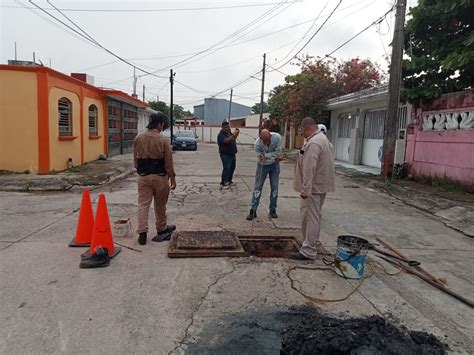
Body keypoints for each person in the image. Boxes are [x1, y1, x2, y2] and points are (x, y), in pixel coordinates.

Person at [290, 117, 335, 260]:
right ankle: (310, 242)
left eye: (301, 130)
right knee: (314, 216)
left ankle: (308, 250)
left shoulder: (314, 143)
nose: (301, 133)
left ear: (306, 128)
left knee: (310, 217)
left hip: (313, 188)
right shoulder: (322, 139)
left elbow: (310, 168)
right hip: (320, 185)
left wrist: (305, 189)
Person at [133, 113, 177, 245]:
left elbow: (135, 160)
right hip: (159, 177)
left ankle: (142, 232)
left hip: (143, 176)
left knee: (143, 204)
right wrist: (172, 178)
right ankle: (161, 229)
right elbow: (168, 163)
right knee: (160, 204)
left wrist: (141, 170)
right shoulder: (163, 140)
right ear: (159, 124)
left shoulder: (138, 138)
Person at [246, 129, 282, 220]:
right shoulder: (257, 144)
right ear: (260, 138)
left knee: (274, 187)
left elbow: (278, 152)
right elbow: (262, 158)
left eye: (268, 140)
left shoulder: (277, 137)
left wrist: (267, 156)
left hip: (274, 165)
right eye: (264, 141)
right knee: (257, 187)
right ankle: (253, 210)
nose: (266, 143)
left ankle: (272, 209)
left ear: (270, 135)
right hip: (262, 165)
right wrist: (273, 157)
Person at [217, 121, 239, 189]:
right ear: (222, 127)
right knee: (227, 168)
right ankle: (223, 182)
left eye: (228, 126)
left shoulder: (229, 133)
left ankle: (229, 180)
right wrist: (233, 135)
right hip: (225, 154)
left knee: (232, 167)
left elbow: (233, 139)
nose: (227, 128)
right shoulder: (221, 135)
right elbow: (226, 141)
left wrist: (236, 133)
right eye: (225, 127)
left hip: (232, 154)